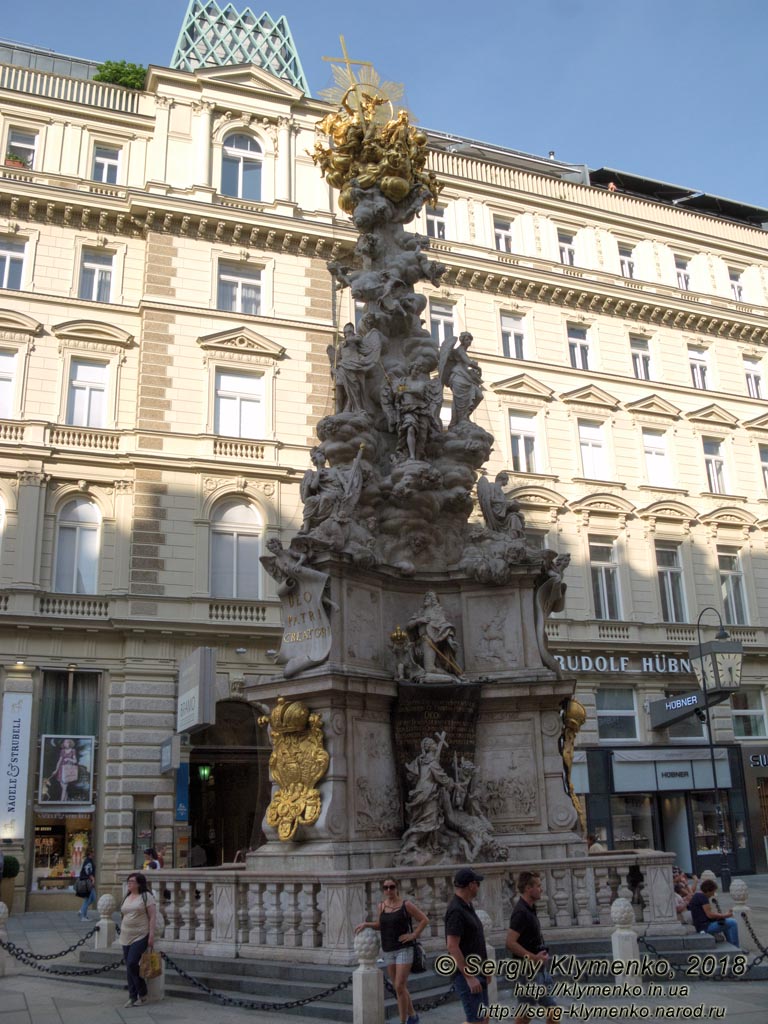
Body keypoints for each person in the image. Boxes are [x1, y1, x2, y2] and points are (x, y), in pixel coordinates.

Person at [355, 877, 428, 1024]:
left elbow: (424, 919)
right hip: (388, 949)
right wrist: (367, 924)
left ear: (397, 888)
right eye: (386, 887)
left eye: (392, 887)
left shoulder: (406, 905)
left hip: (404, 948)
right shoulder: (381, 906)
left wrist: (413, 935)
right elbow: (381, 925)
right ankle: (413, 1016)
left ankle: (403, 1020)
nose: (389, 890)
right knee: (398, 986)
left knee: (400, 985)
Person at [506, 871, 558, 1024]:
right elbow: (510, 943)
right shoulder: (521, 912)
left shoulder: (529, 908)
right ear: (528, 888)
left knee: (527, 1012)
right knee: (550, 1010)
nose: (541, 889)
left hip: (537, 969)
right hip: (528, 971)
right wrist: (534, 957)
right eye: (538, 886)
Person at [444, 868, 490, 1024]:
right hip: (467, 975)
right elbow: (452, 946)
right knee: (476, 1020)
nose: (478, 887)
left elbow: (475, 941)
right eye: (477, 883)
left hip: (478, 970)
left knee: (483, 1018)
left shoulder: (467, 906)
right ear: (471, 885)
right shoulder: (456, 910)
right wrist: (469, 976)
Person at [120, 871, 156, 1008]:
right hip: (125, 935)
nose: (129, 884)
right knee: (129, 967)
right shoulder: (128, 896)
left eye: (132, 882)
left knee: (132, 963)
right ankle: (132, 996)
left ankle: (142, 991)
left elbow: (152, 916)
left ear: (139, 883)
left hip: (140, 935)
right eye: (128, 882)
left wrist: (151, 935)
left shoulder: (147, 896)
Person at [688, 878, 739, 946]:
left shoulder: (697, 896)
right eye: (713, 892)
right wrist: (725, 915)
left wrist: (722, 916)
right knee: (733, 922)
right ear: (708, 890)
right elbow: (709, 915)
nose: (713, 894)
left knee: (725, 922)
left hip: (701, 926)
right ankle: (736, 947)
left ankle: (732, 945)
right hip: (705, 927)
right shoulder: (703, 897)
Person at [78, 847, 97, 920]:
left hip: (88, 882)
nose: (94, 854)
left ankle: (82, 911)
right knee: (88, 899)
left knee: (91, 898)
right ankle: (83, 916)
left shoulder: (89, 860)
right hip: (87, 882)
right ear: (90, 853)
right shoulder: (88, 861)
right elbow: (88, 871)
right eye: (93, 852)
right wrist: (92, 879)